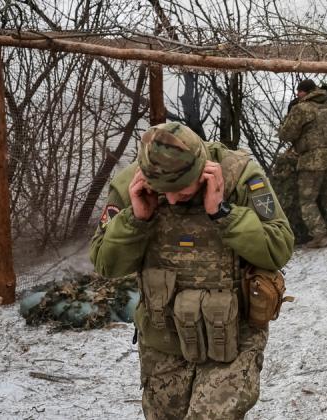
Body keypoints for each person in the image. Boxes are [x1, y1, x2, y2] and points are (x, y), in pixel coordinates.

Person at [90, 122, 294, 419]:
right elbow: (105, 264)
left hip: (234, 337)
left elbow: (280, 248)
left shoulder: (240, 176)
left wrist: (223, 213)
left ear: (204, 171)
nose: (172, 200)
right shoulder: (129, 185)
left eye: (182, 193)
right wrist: (137, 220)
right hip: (163, 337)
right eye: (163, 193)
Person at [278, 79, 327, 248]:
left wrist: (284, 125)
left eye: (299, 92)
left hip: (312, 161)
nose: (297, 95)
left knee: (307, 200)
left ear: (304, 92)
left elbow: (286, 134)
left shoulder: (301, 108)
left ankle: (320, 236)